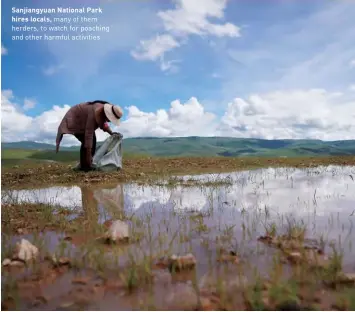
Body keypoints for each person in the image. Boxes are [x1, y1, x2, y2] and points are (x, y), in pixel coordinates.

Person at [56, 100, 123, 171]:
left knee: (91, 142)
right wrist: (88, 154)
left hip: (83, 120)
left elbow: (103, 123)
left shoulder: (101, 111)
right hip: (75, 120)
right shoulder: (94, 113)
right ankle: (85, 167)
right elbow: (88, 135)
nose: (110, 121)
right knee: (87, 143)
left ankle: (87, 164)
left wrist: (111, 132)